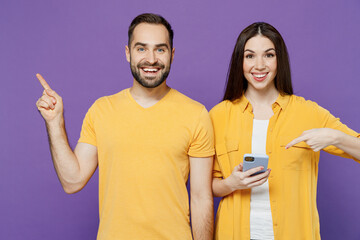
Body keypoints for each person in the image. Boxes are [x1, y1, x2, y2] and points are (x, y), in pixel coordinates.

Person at [35, 13, 214, 240]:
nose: (151, 59)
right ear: (128, 53)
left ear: (172, 54)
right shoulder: (101, 110)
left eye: (160, 49)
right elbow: (72, 181)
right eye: (141, 49)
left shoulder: (196, 114)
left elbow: (201, 198)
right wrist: (54, 123)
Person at [209, 22, 360, 240]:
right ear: (239, 62)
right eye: (250, 56)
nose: (259, 65)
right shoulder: (218, 115)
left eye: (268, 55)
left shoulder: (307, 112)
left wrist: (334, 137)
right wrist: (230, 184)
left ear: (279, 59)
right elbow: (205, 187)